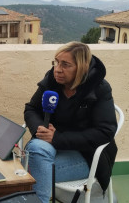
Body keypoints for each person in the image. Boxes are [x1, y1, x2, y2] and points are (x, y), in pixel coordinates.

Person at [24, 42, 117, 203]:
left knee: (27, 167)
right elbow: (31, 109)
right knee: (36, 150)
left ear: (81, 68)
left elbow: (105, 132)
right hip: (50, 146)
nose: (58, 69)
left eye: (65, 65)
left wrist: (57, 138)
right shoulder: (52, 80)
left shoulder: (100, 88)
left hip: (87, 155)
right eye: (56, 62)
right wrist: (41, 129)